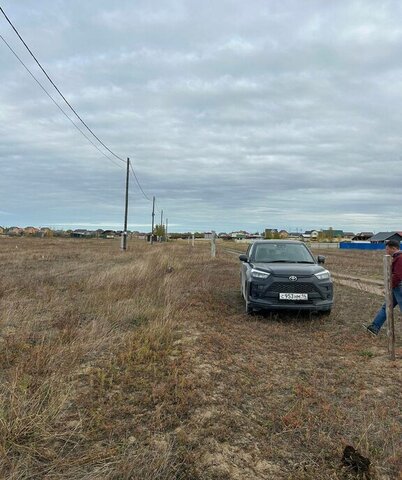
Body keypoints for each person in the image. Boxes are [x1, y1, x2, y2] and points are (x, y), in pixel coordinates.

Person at [363, 239, 402, 336]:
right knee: (387, 306)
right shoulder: (396, 257)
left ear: (394, 248)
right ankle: (374, 328)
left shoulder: (400, 258)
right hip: (395, 287)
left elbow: (397, 276)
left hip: (399, 287)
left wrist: (389, 287)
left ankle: (374, 327)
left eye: (387, 249)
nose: (386, 251)